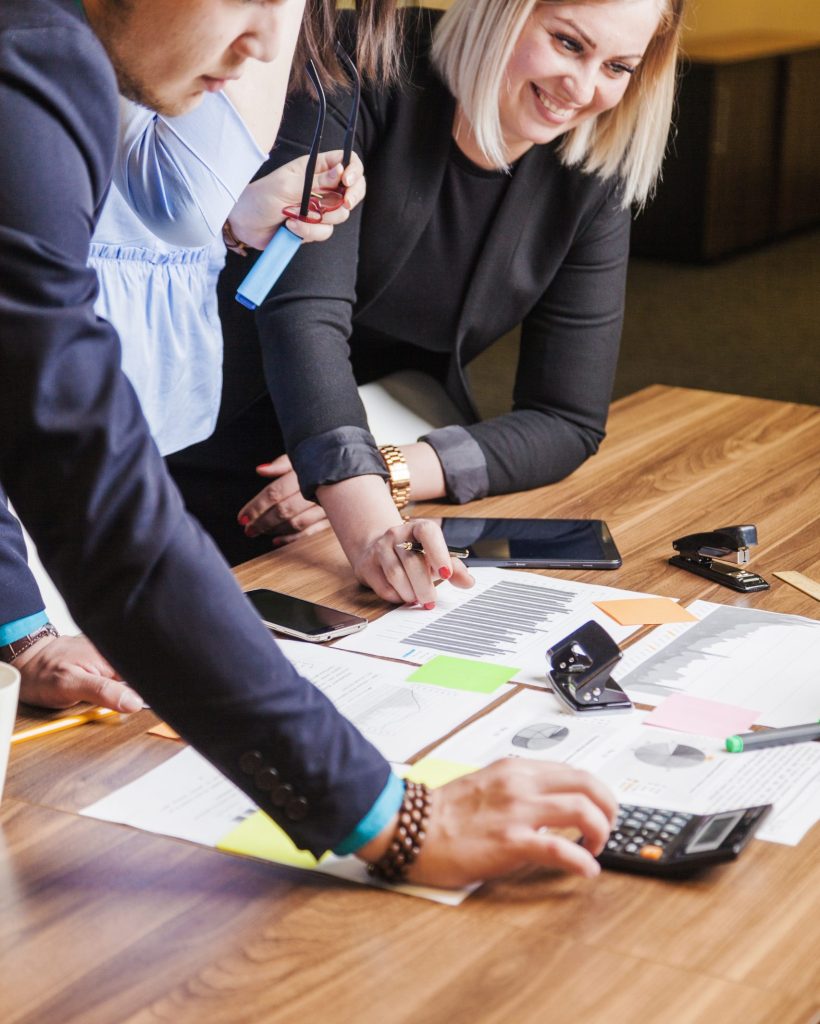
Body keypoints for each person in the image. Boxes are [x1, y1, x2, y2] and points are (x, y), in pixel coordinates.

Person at [0, 0, 617, 889]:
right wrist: (394, 816)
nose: (261, 46)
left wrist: (19, 626)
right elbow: (87, 481)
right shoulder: (39, 58)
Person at [171, 0, 685, 606]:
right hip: (201, 434)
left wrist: (394, 468)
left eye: (619, 67)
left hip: (364, 467)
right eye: (568, 43)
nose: (582, 88)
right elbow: (305, 312)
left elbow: (567, 421)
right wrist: (369, 525)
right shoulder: (365, 52)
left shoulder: (593, 168)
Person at [1, 52, 365, 714]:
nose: (255, 51)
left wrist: (231, 218)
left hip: (77, 510)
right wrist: (21, 631)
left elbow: (141, 200)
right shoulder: (32, 54)